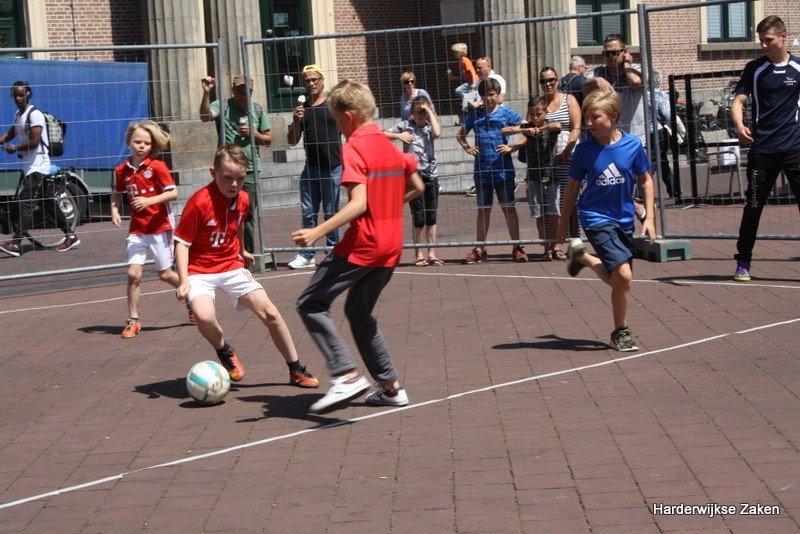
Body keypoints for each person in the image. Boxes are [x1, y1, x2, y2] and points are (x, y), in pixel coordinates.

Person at [293, 80, 424, 414]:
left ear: (348, 117)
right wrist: (388, 203)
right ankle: (391, 389)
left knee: (310, 303)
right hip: (392, 246)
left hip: (364, 244)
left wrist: (317, 231)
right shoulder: (388, 144)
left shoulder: (353, 147)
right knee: (358, 313)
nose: (337, 126)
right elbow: (417, 185)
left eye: (336, 120)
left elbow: (358, 204)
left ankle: (346, 374)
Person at [174, 144, 319, 388]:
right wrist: (183, 281)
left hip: (230, 265)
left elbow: (238, 222)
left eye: (240, 179)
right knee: (203, 316)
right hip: (199, 270)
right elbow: (181, 243)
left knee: (270, 312)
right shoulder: (198, 202)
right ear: (213, 173)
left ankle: (296, 369)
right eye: (227, 178)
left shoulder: (242, 198)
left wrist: (241, 250)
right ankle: (224, 350)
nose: (234, 184)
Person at [557, 89, 655, 352]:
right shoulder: (583, 151)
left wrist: (650, 217)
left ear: (614, 117)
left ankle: (582, 257)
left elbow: (646, 180)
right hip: (595, 217)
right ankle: (621, 332)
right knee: (623, 276)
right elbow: (572, 187)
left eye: (595, 117)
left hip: (624, 219)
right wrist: (563, 223)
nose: (589, 123)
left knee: (620, 279)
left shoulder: (632, 146)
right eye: (586, 117)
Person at [731, 15, 800, 282]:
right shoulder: (755, 68)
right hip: (763, 151)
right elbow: (738, 101)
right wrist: (739, 125)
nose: (763, 45)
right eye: (761, 40)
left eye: (768, 40)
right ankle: (743, 262)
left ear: (783, 37)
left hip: (794, 149)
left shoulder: (797, 67)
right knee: (753, 206)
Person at [111, 120, 193, 338]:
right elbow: (117, 193)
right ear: (129, 142)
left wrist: (149, 201)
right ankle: (133, 320)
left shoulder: (157, 167)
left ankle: (191, 296)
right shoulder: (121, 170)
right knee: (133, 274)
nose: (141, 146)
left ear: (153, 145)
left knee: (165, 274)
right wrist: (115, 209)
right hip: (137, 229)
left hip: (159, 227)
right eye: (137, 142)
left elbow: (172, 193)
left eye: (146, 143)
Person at [0, 80, 80, 257]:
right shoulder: (19, 115)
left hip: (39, 166)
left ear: (28, 94)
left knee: (26, 202)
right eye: (15, 95)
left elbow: (35, 142)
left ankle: (16, 243)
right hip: (29, 165)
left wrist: (15, 148)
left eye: (21, 95)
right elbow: (11, 133)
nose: (18, 98)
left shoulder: (34, 115)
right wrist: (2, 140)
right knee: (47, 203)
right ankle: (71, 236)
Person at [456, 78, 528, 264]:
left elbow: (527, 128)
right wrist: (468, 148)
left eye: (491, 94)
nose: (488, 98)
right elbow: (460, 134)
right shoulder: (475, 115)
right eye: (484, 95)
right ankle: (480, 248)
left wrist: (513, 147)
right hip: (482, 171)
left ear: (498, 95)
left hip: (503, 170)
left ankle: (517, 246)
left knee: (509, 208)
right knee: (483, 210)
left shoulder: (506, 113)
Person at [199, 74, 272, 254]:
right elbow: (205, 116)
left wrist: (254, 134)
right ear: (233, 91)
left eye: (246, 92)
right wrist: (206, 93)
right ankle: (224, 251)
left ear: (251, 92)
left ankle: (246, 253)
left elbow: (268, 139)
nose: (242, 96)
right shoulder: (223, 106)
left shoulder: (257, 110)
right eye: (239, 92)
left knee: (247, 213)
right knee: (222, 210)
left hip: (249, 170)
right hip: (226, 170)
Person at [287, 64, 343, 270]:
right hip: (311, 168)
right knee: (308, 213)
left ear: (322, 81)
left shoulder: (333, 105)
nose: (311, 84)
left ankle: (333, 251)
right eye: (307, 80)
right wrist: (296, 121)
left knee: (331, 213)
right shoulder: (303, 109)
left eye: (314, 79)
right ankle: (307, 254)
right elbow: (292, 140)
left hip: (333, 167)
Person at [384, 95, 443, 266]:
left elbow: (438, 133)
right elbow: (382, 134)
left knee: (431, 215)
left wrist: (429, 110)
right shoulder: (406, 126)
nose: (421, 116)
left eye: (423, 112)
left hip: (431, 174)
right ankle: (419, 254)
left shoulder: (429, 126)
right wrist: (399, 136)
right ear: (412, 113)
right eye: (418, 112)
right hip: (413, 176)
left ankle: (432, 253)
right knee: (419, 216)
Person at [541, 66, 582, 250]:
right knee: (551, 201)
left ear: (557, 81)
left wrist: (567, 150)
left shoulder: (569, 99)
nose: (547, 84)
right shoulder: (540, 103)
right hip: (547, 159)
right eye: (543, 81)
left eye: (551, 80)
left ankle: (575, 242)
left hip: (568, 157)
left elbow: (576, 127)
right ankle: (554, 244)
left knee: (570, 199)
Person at [515, 97, 562, 260]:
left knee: (554, 213)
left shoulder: (551, 125)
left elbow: (557, 126)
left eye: (539, 114)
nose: (535, 118)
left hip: (551, 176)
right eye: (532, 114)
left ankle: (556, 246)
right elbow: (507, 130)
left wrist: (540, 129)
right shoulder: (526, 127)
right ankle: (546, 247)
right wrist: (526, 131)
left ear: (546, 112)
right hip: (534, 176)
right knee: (539, 214)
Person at [590, 34, 645, 145]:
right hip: (608, 138)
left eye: (615, 52)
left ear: (625, 52)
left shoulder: (637, 69)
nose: (611, 56)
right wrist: (597, 80)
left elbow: (635, 82)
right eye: (607, 54)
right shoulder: (598, 72)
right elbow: (583, 85)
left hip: (635, 136)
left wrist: (626, 63)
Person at [650, 69, 680, 201]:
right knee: (657, 161)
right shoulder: (660, 95)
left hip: (639, 132)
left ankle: (673, 188)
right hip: (656, 131)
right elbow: (668, 116)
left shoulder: (637, 95)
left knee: (659, 161)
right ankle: (641, 192)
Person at [449, 43, 478, 115]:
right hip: (469, 82)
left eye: (456, 52)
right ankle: (468, 99)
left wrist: (474, 83)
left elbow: (472, 71)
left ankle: (468, 98)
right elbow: (464, 76)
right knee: (460, 93)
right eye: (454, 52)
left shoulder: (465, 60)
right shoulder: (460, 62)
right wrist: (455, 78)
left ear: (461, 52)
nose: (454, 54)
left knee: (458, 90)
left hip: (472, 82)